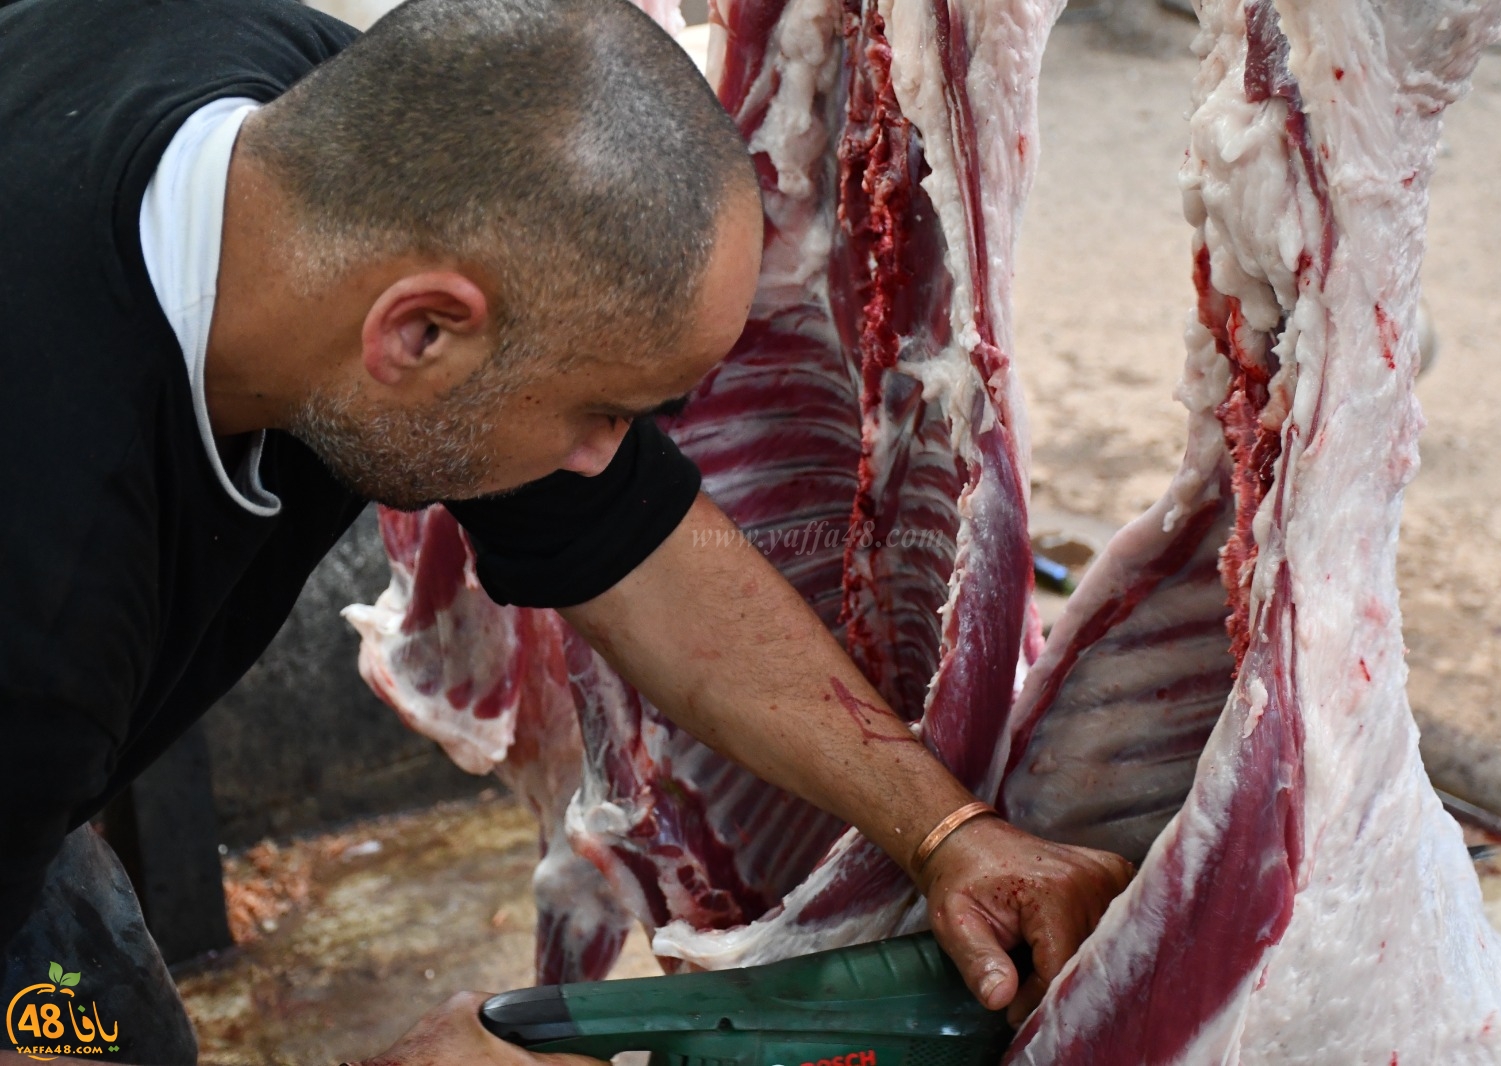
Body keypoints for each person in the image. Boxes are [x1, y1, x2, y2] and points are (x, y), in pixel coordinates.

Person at [0, 0, 1135, 1063]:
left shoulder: (304, 113)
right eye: (599, 414)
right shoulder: (45, 606)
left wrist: (947, 831)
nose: (606, 456)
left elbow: (633, 544)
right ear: (420, 333)